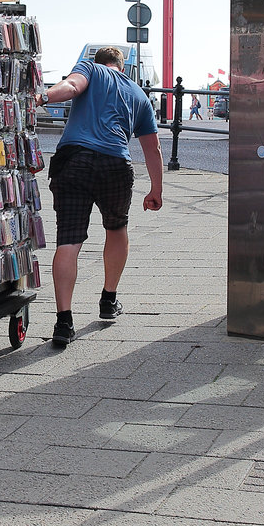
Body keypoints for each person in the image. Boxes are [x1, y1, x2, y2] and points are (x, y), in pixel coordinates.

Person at [35, 46, 163, 348]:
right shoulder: (139, 95)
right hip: (115, 165)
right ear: (123, 67)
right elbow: (152, 148)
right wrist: (156, 189)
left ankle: (63, 322)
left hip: (74, 161)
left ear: (99, 64)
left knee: (69, 239)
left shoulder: (90, 70)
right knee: (116, 228)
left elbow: (72, 86)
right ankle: (108, 299)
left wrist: (42, 97)